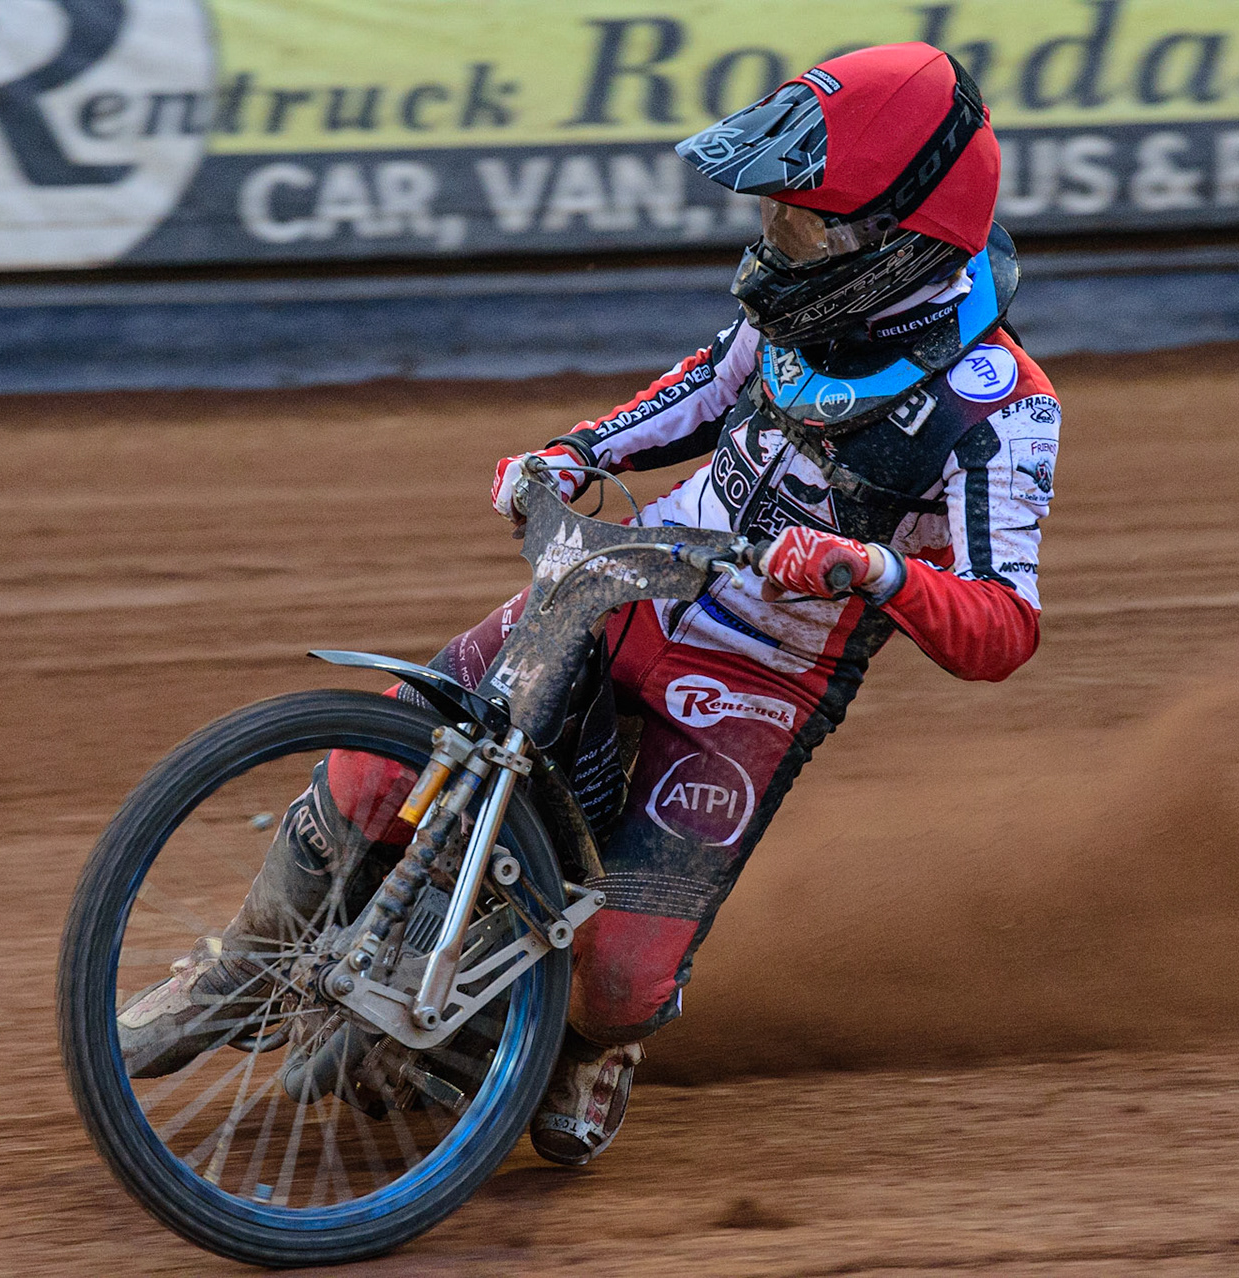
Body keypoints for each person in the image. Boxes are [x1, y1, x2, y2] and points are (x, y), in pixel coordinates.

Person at [119, 41, 1060, 1170]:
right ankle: (239, 966)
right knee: (374, 765)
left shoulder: (1000, 409)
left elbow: (1005, 626)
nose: (772, 237)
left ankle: (584, 1042)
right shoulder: (796, 307)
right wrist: (571, 454)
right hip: (627, 577)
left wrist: (874, 572)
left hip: (759, 677)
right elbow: (701, 391)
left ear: (889, 239)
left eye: (799, 222)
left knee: (617, 980)